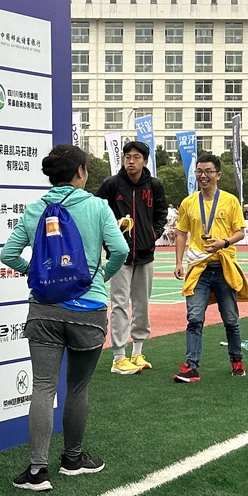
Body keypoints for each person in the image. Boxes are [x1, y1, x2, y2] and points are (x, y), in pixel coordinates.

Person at [1, 145, 128, 492]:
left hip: (44, 310)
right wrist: (101, 275)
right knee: (78, 386)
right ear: (81, 172)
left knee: (43, 387)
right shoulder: (97, 207)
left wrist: (36, 272)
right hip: (88, 310)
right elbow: (121, 250)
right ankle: (72, 459)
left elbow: (8, 254)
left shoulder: (35, 210)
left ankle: (37, 471)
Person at [171, 154, 248, 382]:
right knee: (194, 318)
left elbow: (240, 232)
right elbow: (181, 233)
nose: (203, 176)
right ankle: (191, 366)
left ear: (218, 175)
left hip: (224, 266)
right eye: (199, 171)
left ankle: (237, 361)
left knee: (231, 319)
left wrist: (223, 242)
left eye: (208, 171)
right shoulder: (188, 203)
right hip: (199, 268)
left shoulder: (230, 201)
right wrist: (178, 262)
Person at [96, 140, 169, 374]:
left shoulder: (154, 185)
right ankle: (118, 356)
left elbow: (161, 213)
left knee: (142, 305)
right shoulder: (111, 185)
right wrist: (110, 235)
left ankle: (137, 352)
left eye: (136, 157)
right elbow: (98, 212)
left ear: (145, 161)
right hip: (119, 255)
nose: (131, 161)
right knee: (119, 304)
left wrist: (153, 234)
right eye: (127, 156)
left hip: (146, 254)